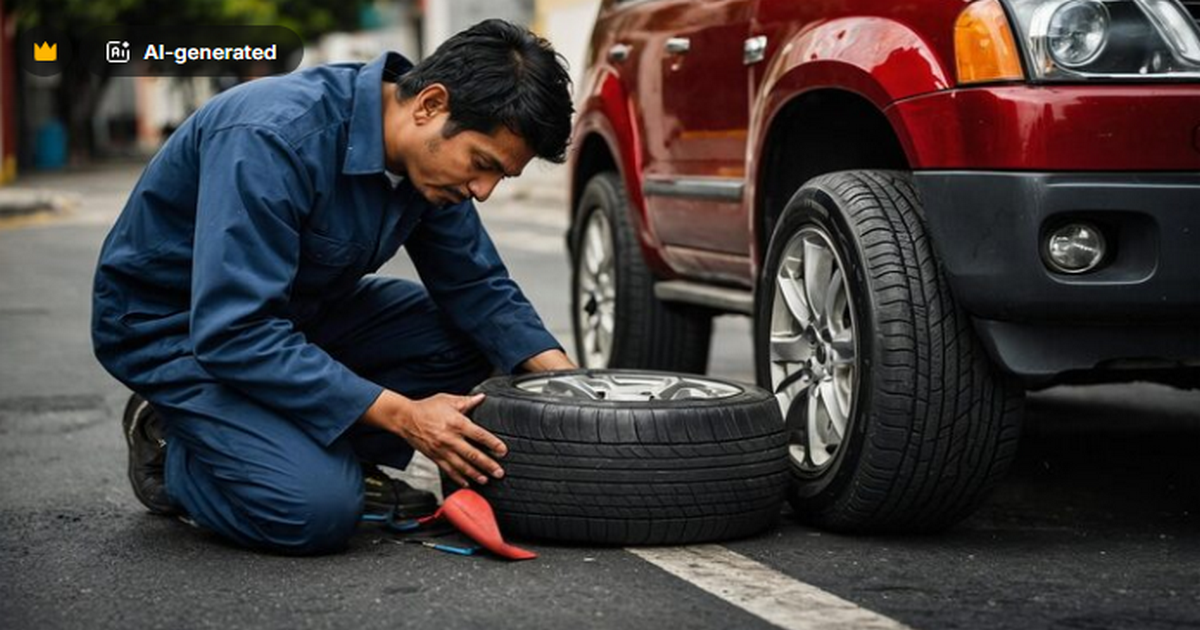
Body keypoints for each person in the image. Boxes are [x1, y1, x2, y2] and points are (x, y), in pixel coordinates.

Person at [91, 19, 577, 555]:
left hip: (296, 317)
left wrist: (575, 390)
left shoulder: (429, 165)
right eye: (482, 165)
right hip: (180, 335)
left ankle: (301, 446)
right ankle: (172, 443)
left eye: (500, 177)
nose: (483, 191)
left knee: (477, 341)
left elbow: (477, 285)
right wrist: (406, 416)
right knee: (314, 510)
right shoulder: (273, 137)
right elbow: (236, 331)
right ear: (431, 105)